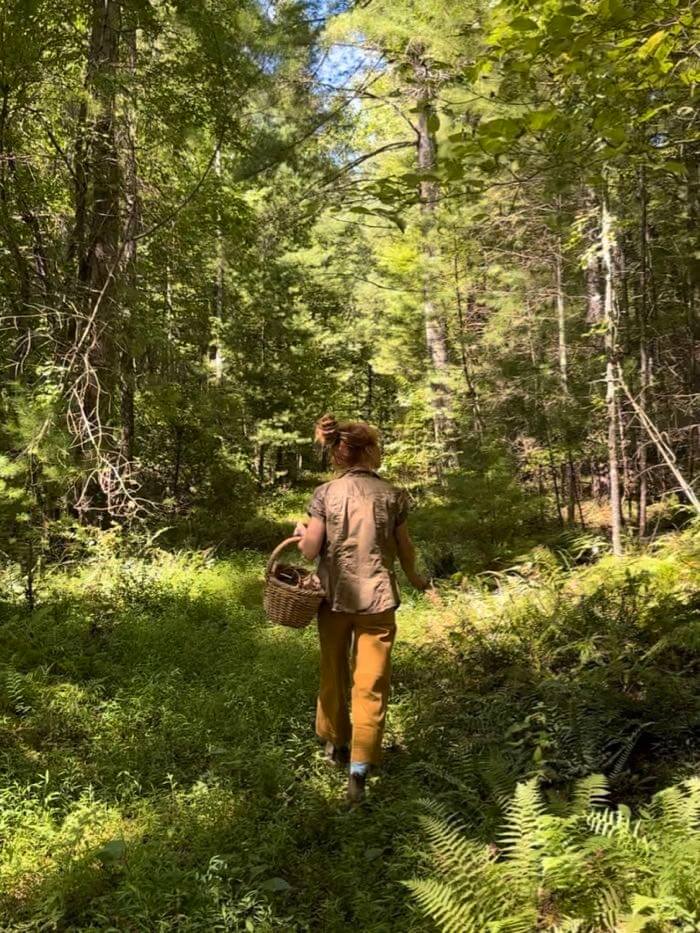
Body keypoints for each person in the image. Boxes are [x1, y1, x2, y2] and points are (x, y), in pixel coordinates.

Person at [293, 414, 428, 804]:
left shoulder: (325, 494)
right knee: (371, 684)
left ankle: (334, 743)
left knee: (333, 672)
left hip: (333, 599)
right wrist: (416, 578)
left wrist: (303, 534)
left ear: (337, 453)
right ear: (370, 451)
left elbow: (309, 549)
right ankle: (360, 768)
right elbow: (404, 548)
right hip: (379, 602)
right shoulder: (393, 495)